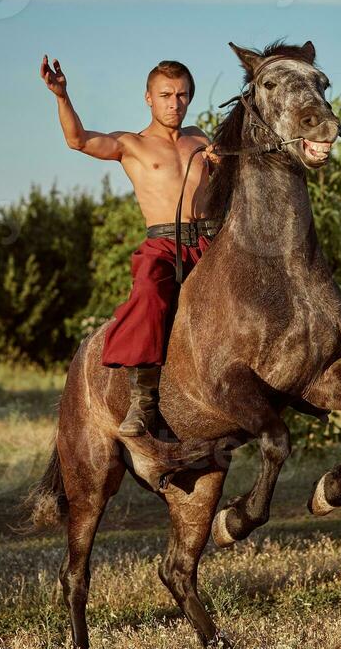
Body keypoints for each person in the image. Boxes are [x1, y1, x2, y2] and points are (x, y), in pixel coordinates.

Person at [40, 53, 222, 437]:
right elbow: (77, 140)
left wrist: (222, 164)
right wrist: (61, 96)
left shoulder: (203, 140)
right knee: (148, 296)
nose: (175, 103)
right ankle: (144, 402)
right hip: (164, 245)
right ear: (148, 98)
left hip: (208, 240)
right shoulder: (131, 144)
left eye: (183, 95)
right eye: (166, 95)